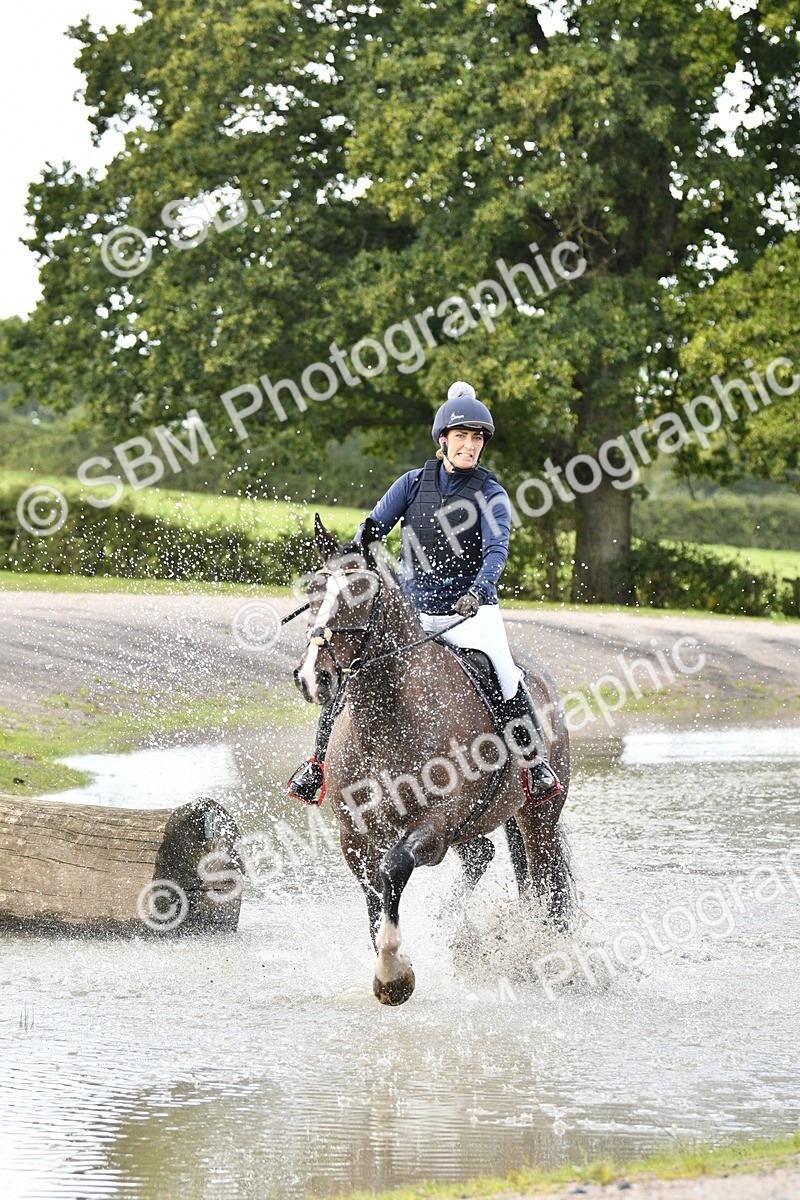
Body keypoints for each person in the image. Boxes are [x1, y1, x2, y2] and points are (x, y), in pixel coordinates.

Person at [287, 381, 561, 807]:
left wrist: (479, 590)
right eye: (461, 437)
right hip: (412, 611)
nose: (469, 446)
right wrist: (347, 571)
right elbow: (371, 530)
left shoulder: (491, 493)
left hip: (470, 612)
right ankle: (317, 765)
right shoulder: (413, 484)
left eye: (476, 439)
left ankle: (533, 765)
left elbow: (496, 550)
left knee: (506, 674)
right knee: (353, 670)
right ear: (443, 441)